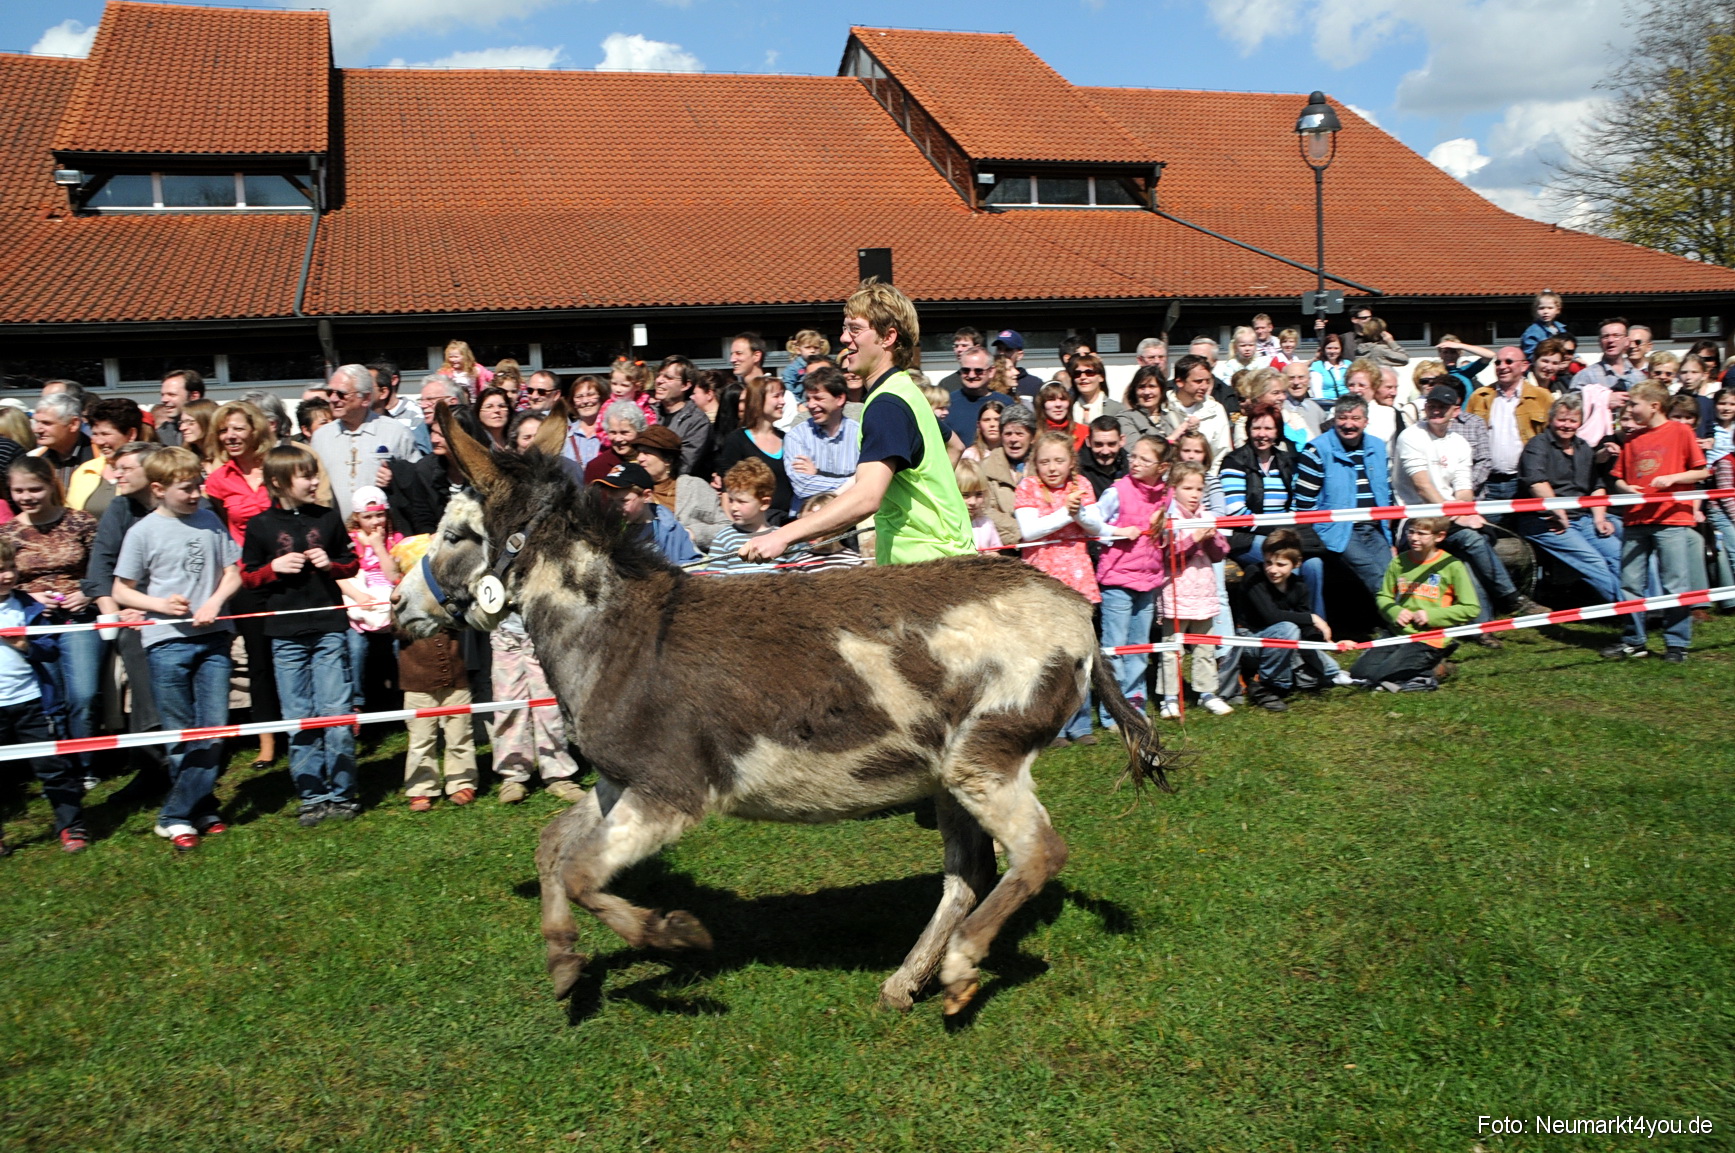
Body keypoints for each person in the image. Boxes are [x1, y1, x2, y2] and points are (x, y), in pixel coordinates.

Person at [742, 281, 976, 566]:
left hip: (923, 568)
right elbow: (954, 445)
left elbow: (867, 497)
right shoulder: (906, 391)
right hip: (949, 558)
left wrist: (782, 536)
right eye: (844, 329)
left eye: (854, 329)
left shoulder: (886, 405)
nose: (843, 338)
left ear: (887, 337)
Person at [110, 446, 242, 852]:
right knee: (182, 733)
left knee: (215, 729)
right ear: (158, 488)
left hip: (214, 638)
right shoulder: (142, 532)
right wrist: (160, 605)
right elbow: (121, 590)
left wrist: (214, 603)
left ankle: (177, 813)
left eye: (198, 486)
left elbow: (232, 574)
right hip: (166, 644)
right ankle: (199, 808)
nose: (195, 495)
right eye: (186, 489)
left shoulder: (209, 520)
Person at [240, 444, 360, 826]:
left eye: (314, 474)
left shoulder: (327, 518)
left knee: (336, 713)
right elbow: (249, 578)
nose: (314, 482)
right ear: (278, 482)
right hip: (285, 634)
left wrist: (332, 564)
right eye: (305, 475)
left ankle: (343, 794)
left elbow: (351, 562)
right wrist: (274, 567)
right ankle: (312, 796)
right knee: (299, 716)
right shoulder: (259, 526)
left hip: (328, 629)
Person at [1395, 385, 1534, 631]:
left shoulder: (1459, 443)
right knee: (1472, 541)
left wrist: (1463, 510)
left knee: (1466, 555)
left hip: (1449, 517)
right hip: (1415, 520)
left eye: (1442, 407)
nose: (1436, 411)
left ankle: (1480, 627)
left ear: (1455, 410)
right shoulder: (1411, 436)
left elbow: (1464, 489)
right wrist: (1457, 515)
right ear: (1425, 407)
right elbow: (1422, 487)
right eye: (1432, 405)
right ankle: (1511, 599)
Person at [0, 456, 101, 779]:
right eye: (18, 491)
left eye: (34, 489)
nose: (26, 497)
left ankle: (85, 765)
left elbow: (103, 567)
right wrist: (29, 595)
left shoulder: (81, 522)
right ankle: (58, 769)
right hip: (31, 621)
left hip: (79, 616)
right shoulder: (9, 533)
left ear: (51, 486)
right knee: (49, 696)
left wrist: (87, 591)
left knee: (82, 695)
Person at [81, 442, 172, 796]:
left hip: (176, 606)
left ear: (152, 474)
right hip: (129, 609)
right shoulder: (120, 508)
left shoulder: (184, 506)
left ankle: (157, 761)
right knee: (133, 643)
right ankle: (154, 759)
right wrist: (113, 612)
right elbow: (100, 567)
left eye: (125, 468)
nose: (115, 475)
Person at [1603, 381, 1709, 662]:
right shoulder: (1633, 440)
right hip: (1636, 520)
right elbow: (1619, 478)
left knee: (1675, 582)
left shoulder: (1680, 431)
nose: (1630, 410)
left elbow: (1701, 471)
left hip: (1671, 518)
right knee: (1630, 583)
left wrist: (1673, 479)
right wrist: (1626, 489)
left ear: (1654, 406)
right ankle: (1634, 641)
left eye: (1634, 404)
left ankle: (1676, 644)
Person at [202, 400, 282, 767]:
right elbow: (221, 530)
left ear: (255, 430)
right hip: (249, 579)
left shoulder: (277, 465)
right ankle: (267, 739)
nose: (230, 436)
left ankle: (308, 726)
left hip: (289, 569)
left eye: (237, 428)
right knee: (259, 658)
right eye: (223, 430)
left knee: (294, 652)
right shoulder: (218, 481)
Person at [1015, 430, 1106, 743]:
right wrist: (1063, 513)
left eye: (1059, 460)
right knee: (1047, 658)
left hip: (1078, 578)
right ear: (1035, 463)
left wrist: (1078, 511)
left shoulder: (1081, 486)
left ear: (1071, 462)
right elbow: (1029, 531)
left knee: (1079, 654)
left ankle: (1080, 725)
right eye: (1044, 461)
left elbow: (1095, 524)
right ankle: (1049, 726)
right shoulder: (1027, 487)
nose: (1052, 467)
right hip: (1042, 583)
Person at [0, 536, 89, 855]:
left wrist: (28, 646)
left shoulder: (28, 607)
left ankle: (71, 826)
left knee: (53, 767)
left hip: (32, 703)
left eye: (10, 567)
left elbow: (50, 650)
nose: (7, 575)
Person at [1219, 402, 1329, 620]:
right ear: (1248, 430)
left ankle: (1316, 625)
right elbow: (1236, 513)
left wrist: (1287, 531)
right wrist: (1279, 531)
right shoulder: (1234, 462)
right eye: (1256, 428)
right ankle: (1290, 622)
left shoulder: (1286, 461)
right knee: (1284, 559)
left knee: (1314, 565)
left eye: (1268, 429)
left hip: (1284, 533)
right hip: (1247, 536)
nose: (1262, 434)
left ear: (1277, 431)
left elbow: (1296, 503)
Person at [395, 535, 477, 812]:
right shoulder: (400, 601)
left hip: (455, 679)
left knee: (459, 734)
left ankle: (461, 780)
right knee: (421, 739)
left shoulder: (445, 597)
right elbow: (394, 627)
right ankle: (421, 786)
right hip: (417, 684)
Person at [1516, 394, 1622, 602]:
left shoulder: (1583, 447)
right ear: (1551, 419)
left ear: (1580, 422)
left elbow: (1596, 486)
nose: (1567, 425)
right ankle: (1631, 609)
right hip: (1546, 520)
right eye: (1562, 419)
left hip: (1582, 519)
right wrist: (1558, 511)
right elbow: (1537, 483)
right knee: (1594, 562)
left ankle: (1649, 605)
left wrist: (1600, 518)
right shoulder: (1538, 446)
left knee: (1617, 554)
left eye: (1572, 420)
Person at [1093, 434, 1170, 718]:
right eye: (1133, 456)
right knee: (1114, 646)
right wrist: (1119, 532)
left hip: (1148, 580)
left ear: (1161, 467)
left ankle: (1134, 700)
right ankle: (1110, 709)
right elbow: (1093, 524)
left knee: (1139, 647)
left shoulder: (1165, 496)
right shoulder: (1117, 491)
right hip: (1117, 580)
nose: (1134, 462)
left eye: (1144, 459)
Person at [1359, 516, 1479, 692]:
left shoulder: (1452, 566)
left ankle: (1434, 670)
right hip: (1398, 632)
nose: (1414, 538)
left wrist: (1431, 616)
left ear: (1439, 537)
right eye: (1411, 532)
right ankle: (1423, 667)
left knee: (1382, 677)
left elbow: (1471, 608)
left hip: (1429, 638)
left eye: (1422, 534)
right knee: (1360, 674)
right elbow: (1383, 595)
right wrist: (1394, 611)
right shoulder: (1399, 562)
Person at [1293, 396, 1394, 596]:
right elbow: (1304, 503)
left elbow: (1387, 493)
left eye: (1355, 418)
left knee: (1392, 573)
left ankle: (1395, 621)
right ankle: (1403, 622)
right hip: (1338, 530)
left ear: (1366, 421)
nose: (1348, 424)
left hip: (1375, 527)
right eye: (1342, 418)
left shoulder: (1378, 447)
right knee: (1376, 574)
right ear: (1334, 419)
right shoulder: (1316, 450)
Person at [1155, 460, 1232, 717]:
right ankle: (1169, 697)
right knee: (1171, 650)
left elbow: (1221, 553)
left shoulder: (1207, 516)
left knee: (1204, 646)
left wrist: (1211, 539)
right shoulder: (1169, 519)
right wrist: (1194, 538)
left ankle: (1207, 692)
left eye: (1199, 489)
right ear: (1174, 489)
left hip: (1203, 592)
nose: (1194, 495)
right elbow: (1168, 555)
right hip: (1176, 593)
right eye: (1188, 488)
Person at [1238, 541, 1350, 711]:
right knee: (1288, 629)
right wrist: (1312, 617)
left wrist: (1326, 644)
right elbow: (1271, 616)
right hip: (1250, 640)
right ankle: (1270, 684)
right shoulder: (1254, 574)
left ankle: (1274, 676)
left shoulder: (1299, 586)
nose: (1272, 569)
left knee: (1331, 671)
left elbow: (1306, 629)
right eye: (1268, 562)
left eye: (1280, 564)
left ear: (1296, 564)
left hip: (1281, 642)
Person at [311, 364, 421, 518]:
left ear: (366, 398)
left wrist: (396, 477)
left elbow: (418, 479)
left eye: (341, 394)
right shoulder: (320, 437)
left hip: (382, 532)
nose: (334, 399)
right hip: (335, 533)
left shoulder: (396, 432)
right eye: (330, 392)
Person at [340, 485, 402, 713]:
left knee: (400, 646)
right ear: (357, 518)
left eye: (380, 515)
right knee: (356, 648)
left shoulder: (395, 539)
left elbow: (393, 576)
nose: (375, 521)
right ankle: (357, 702)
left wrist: (378, 546)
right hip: (359, 604)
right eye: (368, 517)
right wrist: (357, 595)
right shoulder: (349, 541)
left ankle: (402, 694)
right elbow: (338, 575)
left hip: (389, 605)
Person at [1467, 348, 1552, 501]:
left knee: (1528, 525)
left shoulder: (1542, 397)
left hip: (1526, 483)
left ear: (1524, 366)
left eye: (1509, 362)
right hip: (1487, 483)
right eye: (1498, 362)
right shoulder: (1479, 396)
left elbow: (1552, 440)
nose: (1502, 366)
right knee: (1490, 526)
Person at [632, 425, 728, 551]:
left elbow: (726, 528)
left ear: (668, 459)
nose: (640, 458)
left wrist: (693, 533)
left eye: (647, 453)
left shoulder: (694, 487)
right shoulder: (634, 491)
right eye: (638, 453)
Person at [702, 459, 804, 574]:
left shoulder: (782, 538)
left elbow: (795, 577)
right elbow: (714, 582)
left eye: (741, 501)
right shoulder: (723, 539)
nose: (733, 507)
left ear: (764, 503)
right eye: (731, 500)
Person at [710, 376, 793, 516]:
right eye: (776, 396)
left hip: (786, 522)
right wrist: (731, 529)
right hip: (753, 524)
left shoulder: (787, 439)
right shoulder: (737, 440)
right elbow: (727, 489)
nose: (782, 402)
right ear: (758, 400)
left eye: (782, 396)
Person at [783, 365, 860, 511]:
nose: (811, 405)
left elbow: (869, 484)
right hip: (808, 520)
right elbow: (802, 486)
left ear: (839, 399)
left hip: (850, 520)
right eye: (808, 399)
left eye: (818, 398)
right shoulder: (797, 436)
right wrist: (852, 481)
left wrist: (818, 474)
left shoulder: (859, 434)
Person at [67, 396, 146, 516]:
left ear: (131, 434)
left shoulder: (151, 469)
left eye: (105, 434)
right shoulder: (85, 471)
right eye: (95, 434)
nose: (98, 441)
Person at [981, 402, 1037, 545]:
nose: (1013, 440)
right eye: (1008, 434)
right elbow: (986, 510)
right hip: (1005, 549)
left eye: (1019, 434)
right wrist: (1021, 531)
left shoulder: (1044, 466)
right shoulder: (986, 468)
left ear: (1032, 437)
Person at [1162, 354, 1233, 465]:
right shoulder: (1162, 407)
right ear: (1179, 382)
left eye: (1207, 381)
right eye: (1198, 381)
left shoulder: (1215, 410)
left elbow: (1221, 454)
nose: (1204, 387)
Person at [653, 357, 713, 476]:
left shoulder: (697, 422)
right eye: (659, 375)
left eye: (668, 378)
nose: (659, 380)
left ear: (685, 385)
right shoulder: (649, 412)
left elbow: (685, 465)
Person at [30, 392, 94, 491]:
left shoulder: (100, 457)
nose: (37, 430)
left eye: (46, 423)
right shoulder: (34, 459)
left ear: (73, 424)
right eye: (37, 422)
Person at [1570, 318, 1646, 392]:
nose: (1610, 340)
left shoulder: (1639, 377)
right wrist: (1605, 398)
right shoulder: (1587, 375)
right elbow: (1571, 401)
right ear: (1600, 342)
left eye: (1616, 336)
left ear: (1627, 341)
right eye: (1605, 336)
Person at [943, 345, 997, 443]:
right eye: (966, 370)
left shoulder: (1005, 403)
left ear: (991, 371)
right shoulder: (946, 405)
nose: (971, 375)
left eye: (978, 371)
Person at [954, 459, 1003, 552]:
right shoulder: (951, 524)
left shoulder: (987, 524)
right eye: (965, 495)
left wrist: (992, 557)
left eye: (978, 494)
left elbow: (996, 553)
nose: (973, 502)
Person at [560, 375, 606, 468]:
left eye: (591, 395)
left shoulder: (611, 433)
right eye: (579, 397)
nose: (585, 401)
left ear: (602, 398)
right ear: (573, 403)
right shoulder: (564, 434)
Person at [1077, 416, 1127, 498]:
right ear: (1088, 441)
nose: (1105, 451)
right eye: (1098, 444)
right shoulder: (1076, 469)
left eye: (1111, 444)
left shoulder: (1132, 466)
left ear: (1121, 440)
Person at [1070, 355, 1123, 429]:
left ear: (1101, 377)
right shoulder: (1068, 409)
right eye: (1077, 374)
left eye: (1089, 372)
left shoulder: (1117, 409)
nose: (1083, 377)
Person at [988, 330, 1045, 399]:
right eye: (999, 349)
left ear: (1019, 355)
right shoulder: (987, 381)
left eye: (1008, 350)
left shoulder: (1034, 384)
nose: (1002, 353)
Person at [155, 369, 205, 448]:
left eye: (171, 394)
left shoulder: (217, 430)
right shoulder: (161, 436)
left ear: (194, 396)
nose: (164, 400)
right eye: (163, 395)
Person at [1119, 365, 1167, 442]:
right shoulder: (1125, 419)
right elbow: (1134, 448)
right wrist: (1172, 439)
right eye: (1142, 387)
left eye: (1152, 386)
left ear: (1161, 390)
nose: (1147, 392)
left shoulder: (1173, 416)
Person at [1520, 291, 1570, 358]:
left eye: (1550, 308)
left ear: (1557, 310)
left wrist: (1576, 357)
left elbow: (1568, 348)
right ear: (1536, 310)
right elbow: (1530, 355)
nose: (1545, 312)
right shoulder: (1533, 332)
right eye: (1541, 308)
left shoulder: (1561, 329)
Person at [175, 399, 218, 466]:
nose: (182, 428)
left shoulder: (226, 457)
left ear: (206, 422)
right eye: (182, 422)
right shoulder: (183, 459)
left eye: (190, 422)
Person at [963, 397, 1005, 463]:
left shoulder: (1012, 453)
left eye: (997, 420)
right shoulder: (969, 455)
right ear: (978, 424)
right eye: (986, 420)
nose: (992, 424)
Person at [1310, 331, 1349, 402]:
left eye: (1336, 348)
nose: (1332, 351)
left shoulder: (1348, 364)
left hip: (1347, 403)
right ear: (1324, 349)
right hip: (1327, 404)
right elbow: (1316, 391)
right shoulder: (1318, 366)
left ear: (1341, 349)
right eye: (1329, 348)